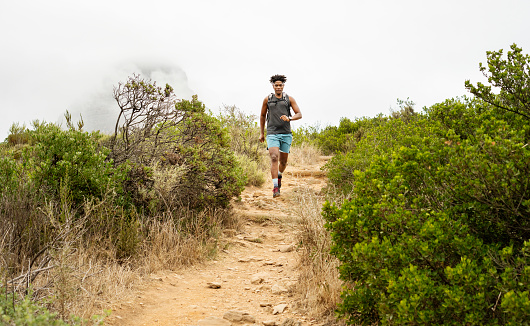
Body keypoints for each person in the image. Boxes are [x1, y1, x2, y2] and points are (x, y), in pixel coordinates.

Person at [259, 74, 302, 198]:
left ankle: (279, 174)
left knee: (283, 162)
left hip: (286, 134)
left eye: (280, 85)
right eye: (276, 85)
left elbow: (299, 114)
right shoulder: (267, 100)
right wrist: (262, 133)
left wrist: (290, 118)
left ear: (283, 86)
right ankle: (275, 187)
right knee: (274, 157)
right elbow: (262, 116)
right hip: (272, 133)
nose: (278, 87)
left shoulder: (289, 99)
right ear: (273, 86)